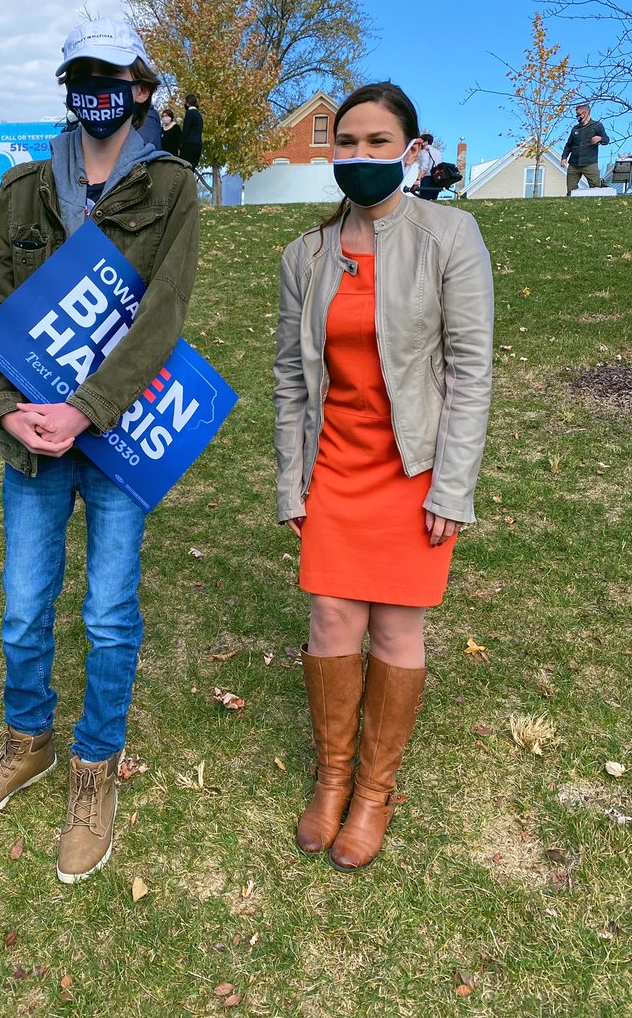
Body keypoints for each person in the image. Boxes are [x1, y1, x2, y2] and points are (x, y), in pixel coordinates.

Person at [0, 19, 200, 884]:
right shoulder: (23, 191)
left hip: (120, 439)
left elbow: (164, 315)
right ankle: (27, 743)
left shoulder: (172, 189)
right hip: (32, 446)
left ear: (141, 87)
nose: (95, 89)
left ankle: (95, 770)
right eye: (79, 75)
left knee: (107, 613)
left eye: (111, 75)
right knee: (24, 606)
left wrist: (89, 410)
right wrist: (4, 410)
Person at [274, 82, 493, 872]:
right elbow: (290, 381)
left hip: (415, 465)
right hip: (334, 463)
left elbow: (471, 371)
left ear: (410, 148)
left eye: (377, 142)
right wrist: (290, 480)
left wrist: (453, 485)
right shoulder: (305, 255)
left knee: (397, 626)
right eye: (347, 142)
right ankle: (333, 781)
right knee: (332, 619)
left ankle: (374, 791)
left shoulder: (451, 235)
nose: (360, 156)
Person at [561, 101, 609, 194]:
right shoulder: (575, 128)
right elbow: (568, 145)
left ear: (586, 113)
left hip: (590, 163)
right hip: (574, 164)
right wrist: (564, 158)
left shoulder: (597, 125)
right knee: (571, 191)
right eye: (576, 115)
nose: (577, 117)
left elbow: (606, 140)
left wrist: (599, 138)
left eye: (579, 114)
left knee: (596, 189)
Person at [415, 132, 443, 200]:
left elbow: (424, 166)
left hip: (428, 179)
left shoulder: (425, 151)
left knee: (424, 202)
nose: (420, 144)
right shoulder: (438, 152)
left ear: (426, 142)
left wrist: (418, 179)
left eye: (421, 142)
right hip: (437, 179)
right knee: (433, 202)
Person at [180, 93, 203, 169]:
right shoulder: (199, 115)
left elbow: (186, 130)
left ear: (187, 103)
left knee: (183, 169)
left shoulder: (190, 113)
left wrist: (180, 145)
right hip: (198, 145)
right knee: (190, 170)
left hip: (189, 145)